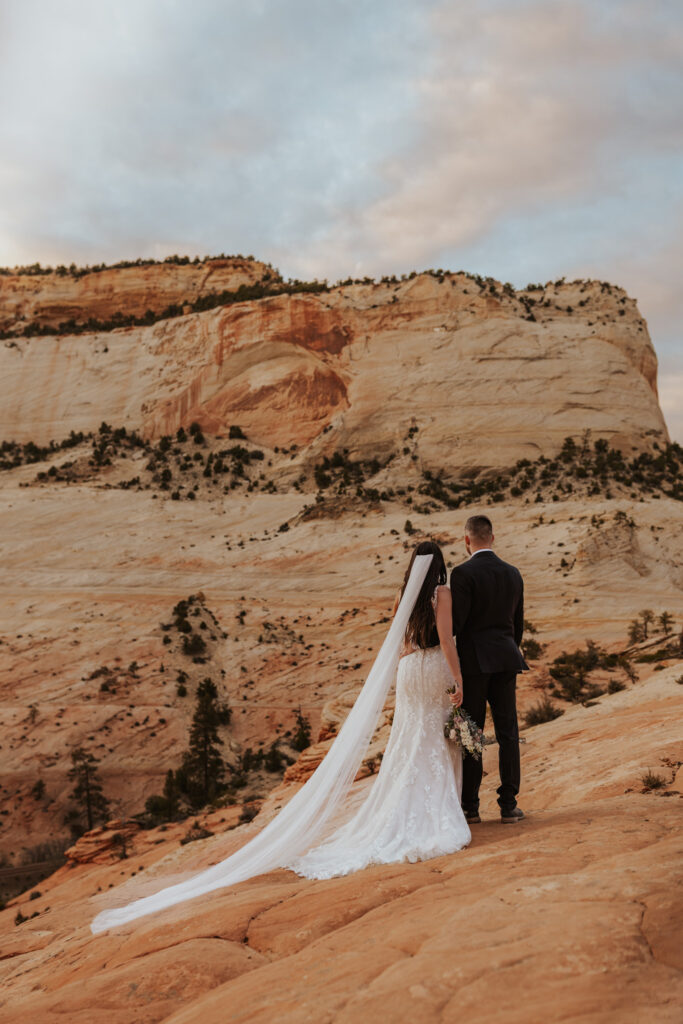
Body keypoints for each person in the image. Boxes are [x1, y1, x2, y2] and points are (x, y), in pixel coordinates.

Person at [90, 542, 469, 934]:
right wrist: (457, 677)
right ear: (440, 566)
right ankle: (435, 812)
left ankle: (395, 810)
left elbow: (399, 643)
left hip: (409, 672)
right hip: (433, 667)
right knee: (434, 736)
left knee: (407, 740)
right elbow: (444, 639)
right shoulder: (442, 594)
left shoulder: (403, 595)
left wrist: (410, 666)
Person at [450, 515, 527, 824]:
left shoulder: (463, 573)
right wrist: (509, 650)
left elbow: (457, 624)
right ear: (492, 538)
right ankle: (509, 805)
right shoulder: (513, 573)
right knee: (509, 732)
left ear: (466, 540)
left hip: (474, 664)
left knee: (472, 734)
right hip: (507, 658)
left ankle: (470, 807)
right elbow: (517, 624)